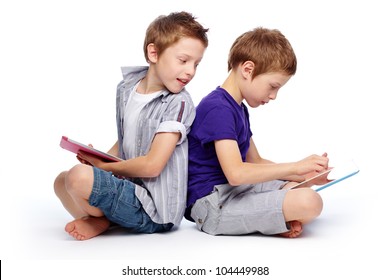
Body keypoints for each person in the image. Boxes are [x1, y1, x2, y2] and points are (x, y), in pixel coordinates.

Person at [54, 11, 208, 240]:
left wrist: (103, 169)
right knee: (61, 181)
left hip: (154, 209)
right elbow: (126, 139)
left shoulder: (179, 103)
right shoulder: (126, 88)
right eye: (183, 61)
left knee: (78, 178)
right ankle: (103, 219)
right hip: (127, 187)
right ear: (153, 53)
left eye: (196, 64)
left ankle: (101, 220)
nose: (190, 71)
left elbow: (153, 166)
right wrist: (98, 159)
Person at [185, 27, 330, 238]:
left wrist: (302, 175)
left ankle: (273, 220)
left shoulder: (237, 108)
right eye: (272, 86)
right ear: (247, 69)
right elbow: (236, 174)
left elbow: (257, 162)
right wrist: (296, 167)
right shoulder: (218, 108)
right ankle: (274, 221)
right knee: (310, 202)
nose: (273, 96)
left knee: (299, 189)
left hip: (237, 190)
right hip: (213, 204)